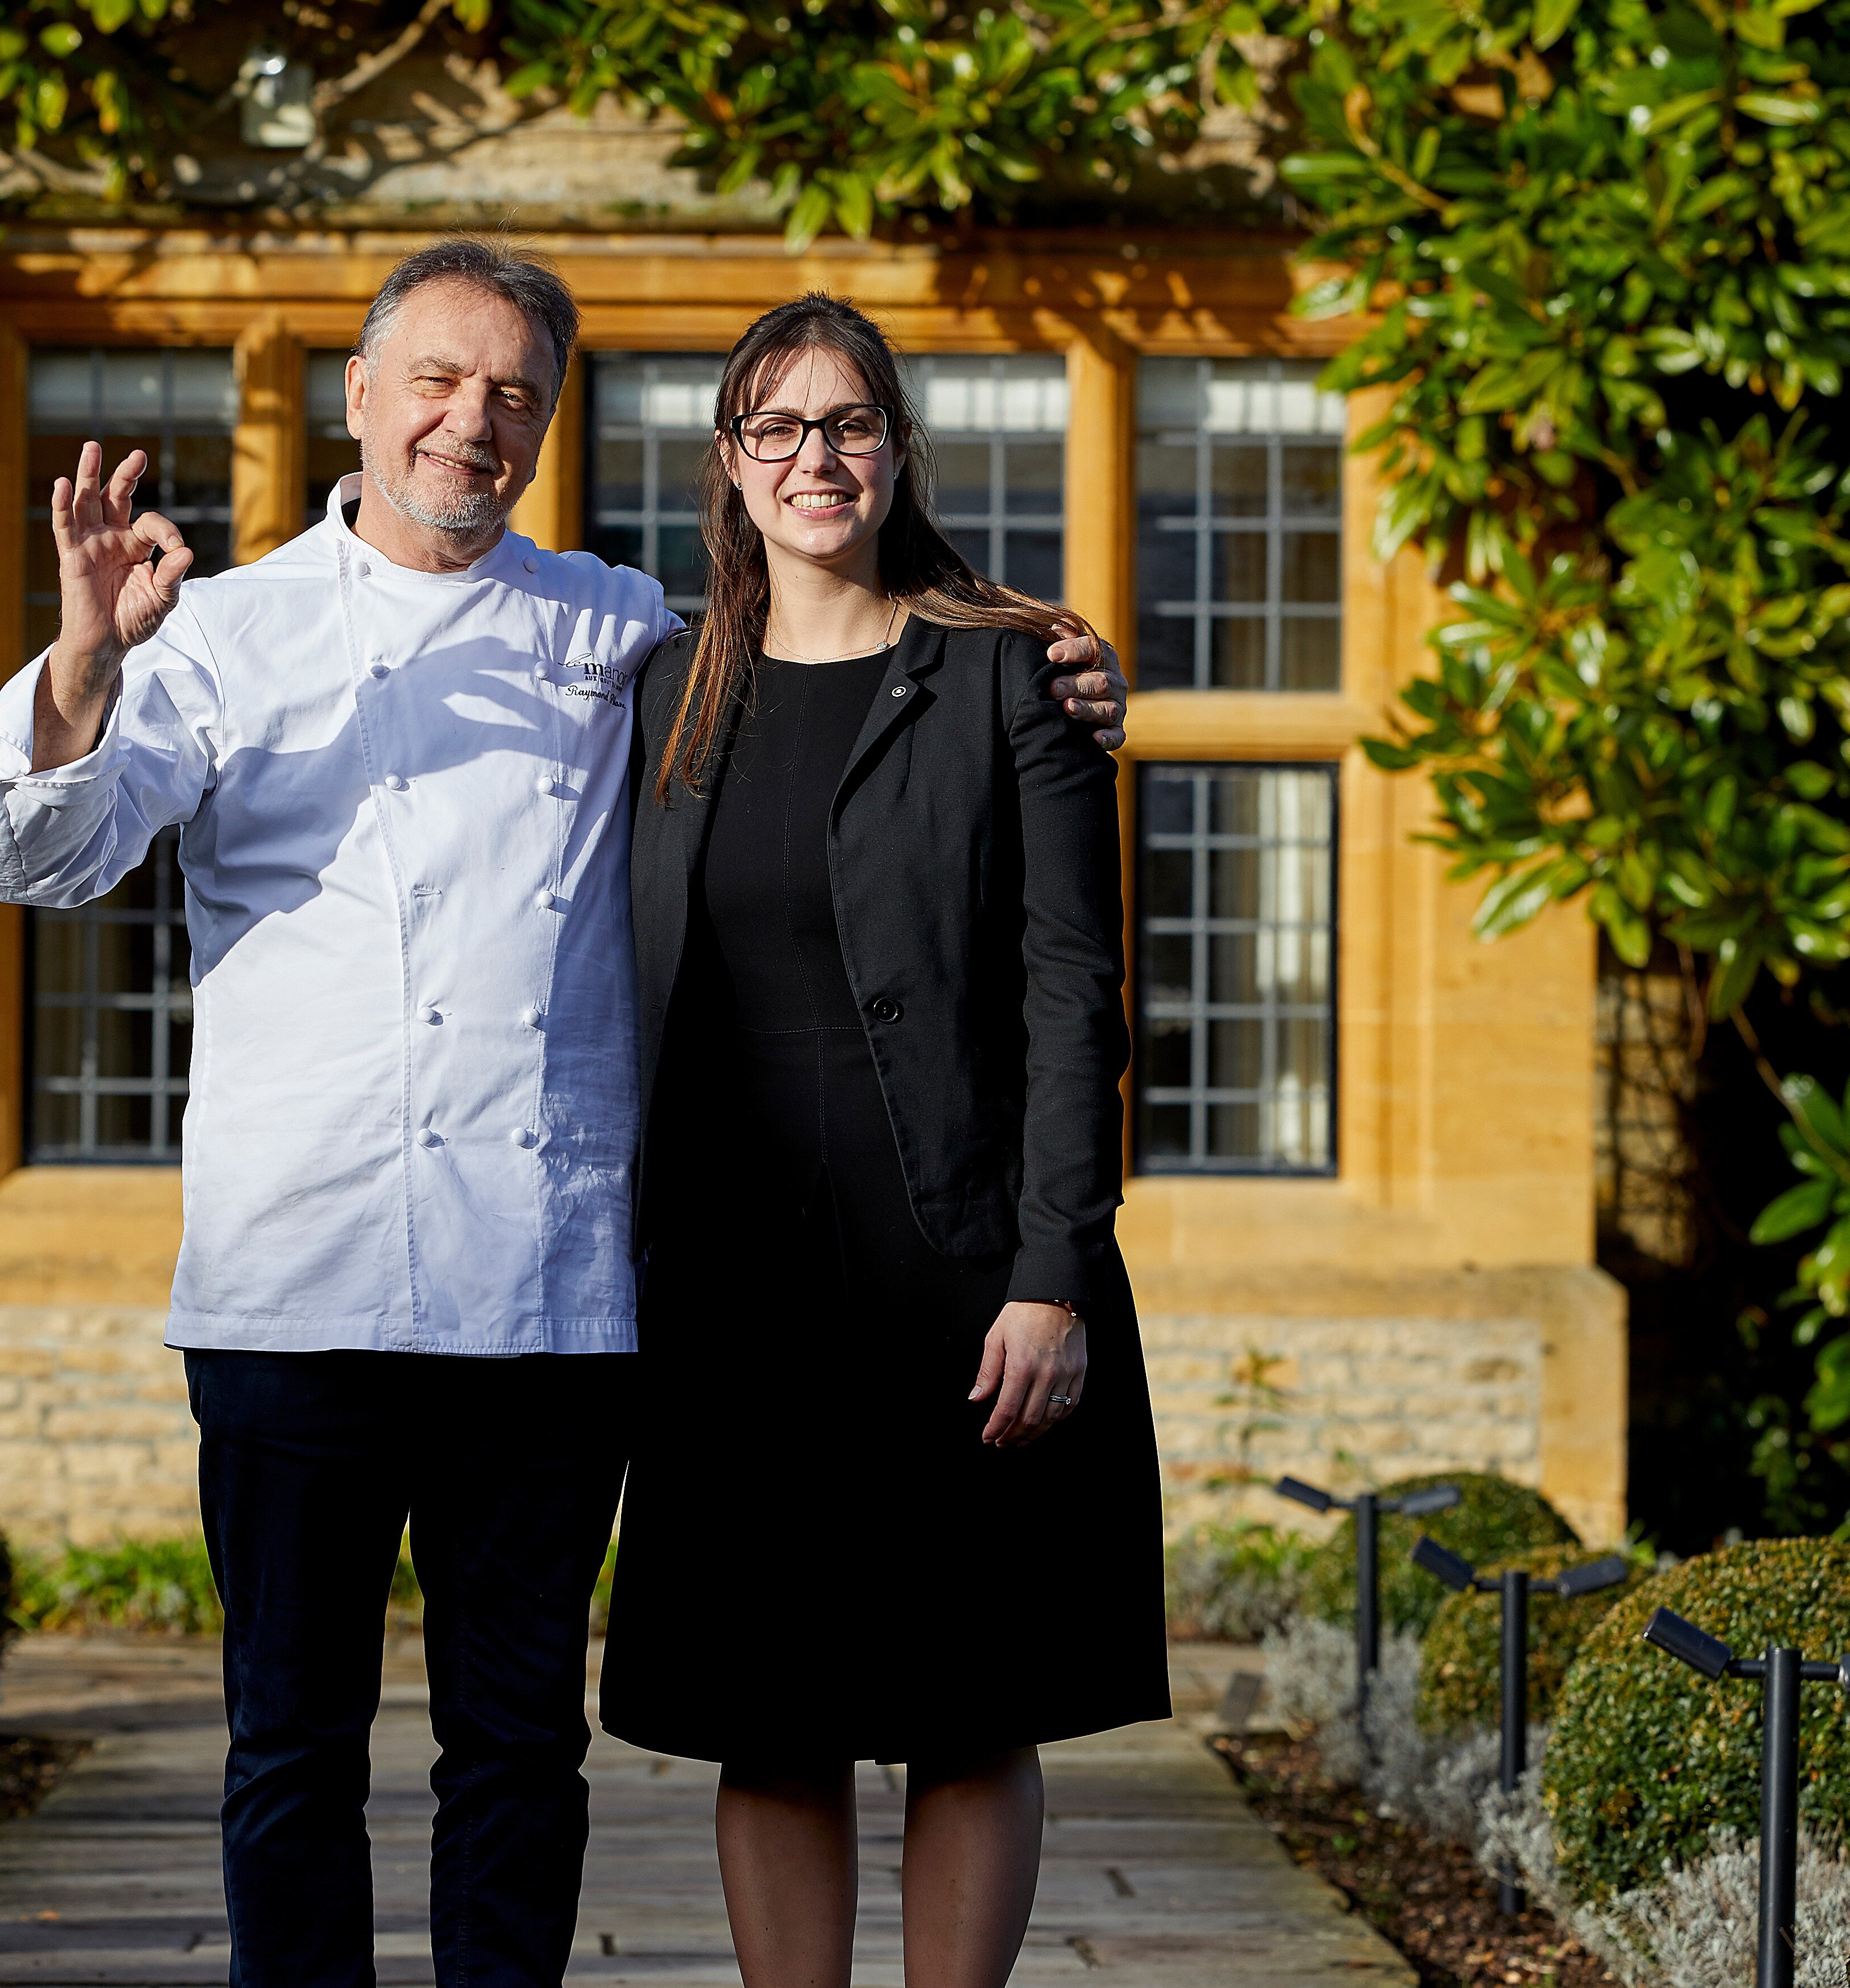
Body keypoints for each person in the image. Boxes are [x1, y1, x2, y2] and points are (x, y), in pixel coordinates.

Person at [0, 240, 1129, 1988]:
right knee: (290, 1751)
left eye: (512, 391)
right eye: (435, 378)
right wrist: (81, 660)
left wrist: (1062, 674)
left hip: (540, 1299)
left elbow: (856, 670)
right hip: (297, 1288)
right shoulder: (209, 633)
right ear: (357, 398)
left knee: (517, 1752)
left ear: (550, 423)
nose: (470, 420)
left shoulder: (624, 636)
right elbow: (32, 852)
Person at [599, 292, 1169, 1988]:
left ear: (898, 445)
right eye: (775, 426)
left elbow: (1080, 996)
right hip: (729, 1284)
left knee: (967, 1704)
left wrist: (1054, 1274)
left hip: (962, 1266)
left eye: (848, 423)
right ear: (729, 461)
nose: (815, 458)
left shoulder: (1011, 672)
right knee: (765, 1715)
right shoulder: (659, 693)